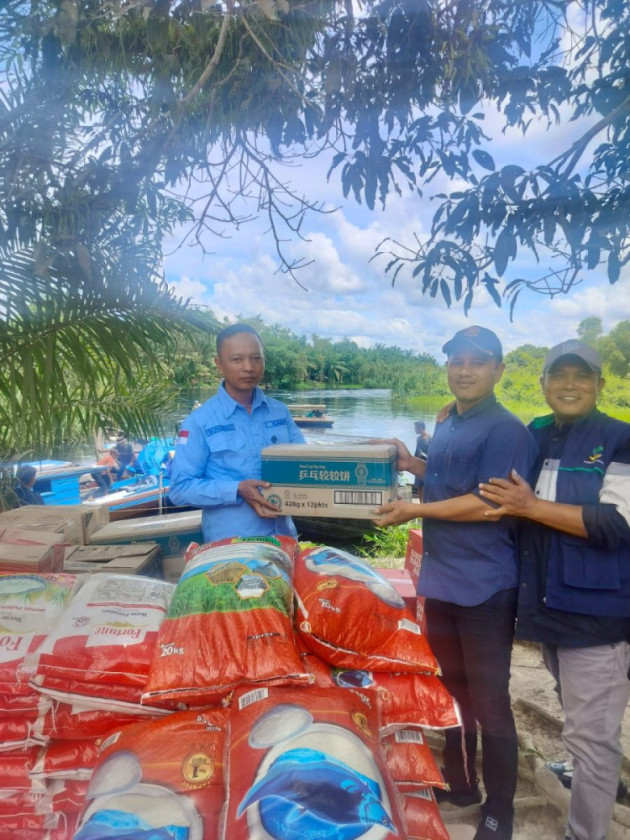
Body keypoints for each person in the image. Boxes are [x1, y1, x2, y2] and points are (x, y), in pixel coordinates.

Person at [373, 325, 537, 840]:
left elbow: (489, 504)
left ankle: (499, 812)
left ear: (498, 370)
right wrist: (411, 464)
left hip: (486, 586)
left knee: (491, 701)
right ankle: (462, 784)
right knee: (451, 689)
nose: (464, 370)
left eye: (477, 361)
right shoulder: (448, 422)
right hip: (442, 581)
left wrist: (413, 509)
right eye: (456, 361)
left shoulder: (506, 430)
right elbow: (448, 483)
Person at [478, 340, 630, 840]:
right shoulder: (536, 433)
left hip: (597, 613)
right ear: (541, 384)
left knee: (592, 736)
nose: (569, 385)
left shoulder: (619, 439)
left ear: (600, 385)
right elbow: (492, 479)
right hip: (544, 605)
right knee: (576, 714)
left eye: (581, 376)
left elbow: (618, 523)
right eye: (558, 376)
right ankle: (590, 779)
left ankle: (584, 833)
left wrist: (531, 508)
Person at [168, 323, 305, 543]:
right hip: (232, 548)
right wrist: (237, 490)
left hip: (284, 540)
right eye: (237, 359)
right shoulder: (199, 422)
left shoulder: (279, 412)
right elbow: (180, 489)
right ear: (219, 364)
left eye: (256, 358)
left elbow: (304, 463)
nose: (249, 367)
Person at [412, 419, 431, 497]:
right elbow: (417, 452)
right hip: (419, 465)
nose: (415, 430)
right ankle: (421, 504)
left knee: (427, 486)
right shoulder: (418, 439)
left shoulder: (430, 438)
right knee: (419, 486)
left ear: (420, 428)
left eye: (416, 428)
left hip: (428, 466)